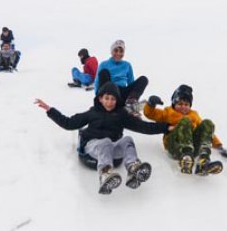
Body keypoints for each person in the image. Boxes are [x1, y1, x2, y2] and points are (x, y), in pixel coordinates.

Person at [34, 82, 174, 194]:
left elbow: (143, 127)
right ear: (100, 98)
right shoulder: (92, 113)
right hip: (93, 147)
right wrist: (50, 110)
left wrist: (165, 127)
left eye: (113, 99)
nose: (109, 102)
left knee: (127, 140)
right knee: (106, 142)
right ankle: (105, 173)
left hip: (112, 150)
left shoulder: (121, 114)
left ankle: (133, 167)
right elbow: (69, 123)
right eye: (106, 98)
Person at [143, 84, 227, 176]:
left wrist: (219, 146)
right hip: (175, 146)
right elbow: (150, 114)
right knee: (185, 121)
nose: (183, 107)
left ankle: (203, 161)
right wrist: (150, 104)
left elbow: (207, 133)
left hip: (193, 148)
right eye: (180, 103)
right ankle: (185, 157)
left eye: (186, 104)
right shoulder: (168, 112)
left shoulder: (194, 115)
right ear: (174, 103)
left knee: (207, 123)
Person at [93, 40, 148, 115]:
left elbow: (131, 82)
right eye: (116, 51)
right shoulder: (104, 64)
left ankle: (130, 104)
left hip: (121, 93)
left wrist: (132, 94)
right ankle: (104, 104)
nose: (118, 53)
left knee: (143, 79)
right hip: (109, 92)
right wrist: (97, 97)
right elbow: (97, 82)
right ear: (111, 52)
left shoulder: (127, 65)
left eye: (121, 51)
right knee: (104, 72)